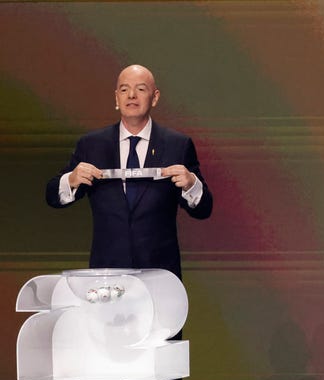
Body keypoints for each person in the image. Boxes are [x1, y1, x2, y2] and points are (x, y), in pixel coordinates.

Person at [45, 64, 213, 281]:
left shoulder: (177, 145)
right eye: (124, 90)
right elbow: (52, 197)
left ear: (155, 97)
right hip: (107, 277)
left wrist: (191, 184)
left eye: (141, 89)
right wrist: (72, 179)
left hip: (160, 277)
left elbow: (204, 209)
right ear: (116, 98)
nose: (131, 95)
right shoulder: (91, 145)